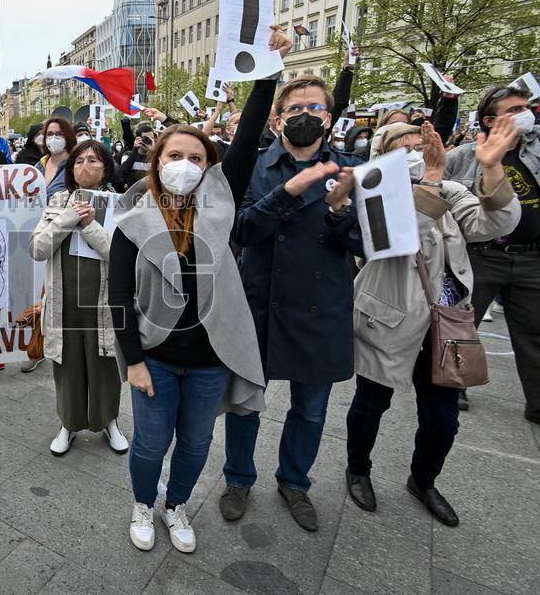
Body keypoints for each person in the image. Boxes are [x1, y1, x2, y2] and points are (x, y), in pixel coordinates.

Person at [109, 26, 290, 554]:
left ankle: (175, 504)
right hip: (156, 358)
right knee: (148, 443)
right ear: (156, 163)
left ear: (209, 168)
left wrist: (267, 74)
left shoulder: (218, 208)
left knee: (195, 443)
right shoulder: (131, 220)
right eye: (173, 156)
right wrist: (134, 360)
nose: (183, 165)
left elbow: (253, 129)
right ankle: (145, 503)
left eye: (195, 157)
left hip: (212, 359)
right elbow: (118, 296)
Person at [346, 120, 520, 526]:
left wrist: (492, 169)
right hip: (389, 316)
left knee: (442, 417)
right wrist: (432, 179)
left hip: (446, 321)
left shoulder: (453, 190)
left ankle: (423, 480)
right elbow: (399, 239)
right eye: (404, 144)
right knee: (372, 403)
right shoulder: (373, 186)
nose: (417, 150)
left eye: (422, 143)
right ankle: (358, 470)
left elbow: (495, 225)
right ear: (385, 152)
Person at [222, 74, 363, 533]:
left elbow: (367, 242)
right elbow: (240, 231)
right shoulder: (254, 165)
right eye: (296, 108)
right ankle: (238, 478)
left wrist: (341, 210)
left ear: (330, 116)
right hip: (260, 301)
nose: (305, 115)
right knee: (246, 402)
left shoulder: (353, 168)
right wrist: (290, 192)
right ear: (278, 118)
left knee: (311, 409)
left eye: (315, 108)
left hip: (321, 306)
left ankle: (294, 482)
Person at [445, 85, 540, 423]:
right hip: (481, 255)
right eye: (514, 110)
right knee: (460, 323)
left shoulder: (536, 149)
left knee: (534, 331)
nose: (525, 114)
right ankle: (453, 385)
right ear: (489, 120)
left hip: (531, 257)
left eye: (527, 108)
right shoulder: (464, 156)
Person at [30, 140, 128, 456]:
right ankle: (69, 424)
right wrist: (68, 217)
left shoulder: (120, 204)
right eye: (80, 160)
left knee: (105, 364)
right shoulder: (57, 201)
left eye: (94, 159)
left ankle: (109, 420)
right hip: (64, 301)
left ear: (107, 167)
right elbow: (38, 249)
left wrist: (90, 225)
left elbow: (123, 256)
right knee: (68, 366)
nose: (86, 165)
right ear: (71, 168)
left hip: (104, 302)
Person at [37, 118, 77, 201]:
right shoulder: (38, 167)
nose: (54, 138)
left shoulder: (76, 166)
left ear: (68, 136)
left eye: (59, 134)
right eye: (50, 134)